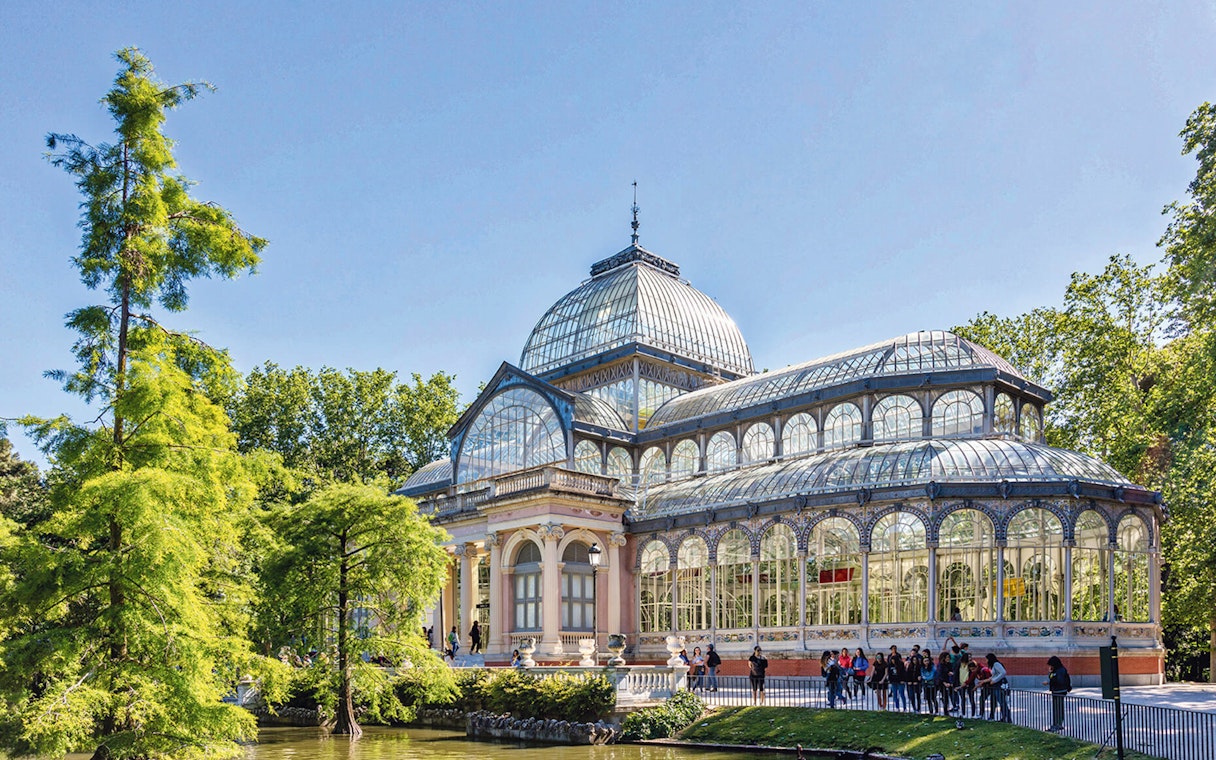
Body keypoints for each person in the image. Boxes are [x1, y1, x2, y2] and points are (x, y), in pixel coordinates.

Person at [979, 652, 1010, 722]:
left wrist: (994, 680)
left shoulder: (996, 664)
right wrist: (984, 681)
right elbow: (993, 676)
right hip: (996, 685)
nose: (985, 661)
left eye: (986, 659)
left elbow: (1003, 672)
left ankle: (1007, 718)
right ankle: (1004, 718)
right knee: (1001, 702)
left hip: (1000, 685)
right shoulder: (993, 666)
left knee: (1002, 702)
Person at [1044, 655, 1071, 731]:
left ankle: (1058, 724)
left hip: (1060, 691)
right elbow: (1052, 677)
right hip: (1055, 691)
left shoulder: (1061, 670)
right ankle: (1056, 723)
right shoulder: (1055, 670)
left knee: (1058, 708)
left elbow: (1059, 681)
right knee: (1056, 708)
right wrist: (1050, 673)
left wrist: (1050, 681)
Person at [888, 645, 906, 711]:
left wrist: (903, 680)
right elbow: (889, 673)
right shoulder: (890, 665)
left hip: (900, 681)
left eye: (894, 660)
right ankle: (897, 707)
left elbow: (903, 673)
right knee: (895, 695)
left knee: (902, 694)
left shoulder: (901, 664)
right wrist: (890, 680)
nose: (893, 661)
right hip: (893, 681)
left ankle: (904, 707)